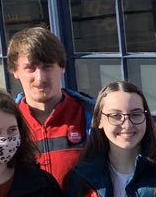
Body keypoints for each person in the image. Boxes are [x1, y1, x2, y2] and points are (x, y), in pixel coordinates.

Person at [8, 26, 96, 185]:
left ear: (62, 67)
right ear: (14, 71)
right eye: (30, 68)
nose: (40, 78)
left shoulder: (92, 116)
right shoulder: (6, 121)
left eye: (47, 66)